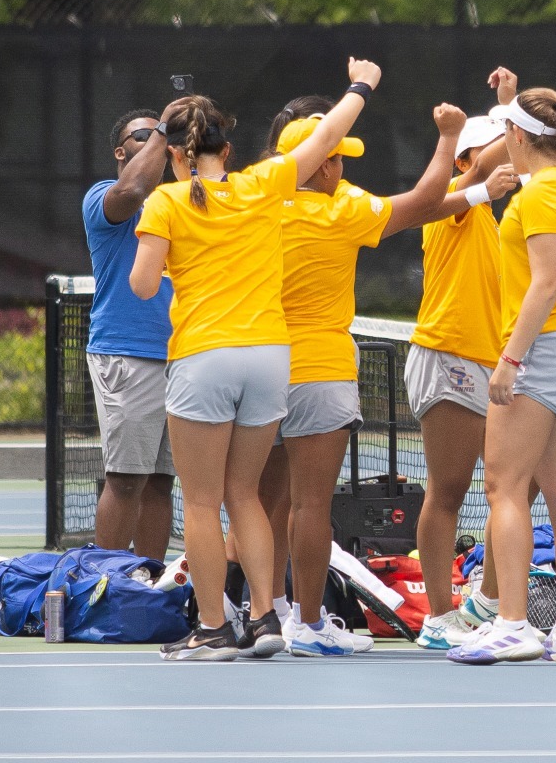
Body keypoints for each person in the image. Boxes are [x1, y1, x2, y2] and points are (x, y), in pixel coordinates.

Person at [127, 58, 379, 661]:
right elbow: (323, 137)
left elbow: (141, 284)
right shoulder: (263, 184)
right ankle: (267, 619)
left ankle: (213, 626)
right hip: (271, 357)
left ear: (176, 154)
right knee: (248, 494)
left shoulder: (165, 201)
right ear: (228, 147)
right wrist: (360, 86)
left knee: (203, 500)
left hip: (205, 355)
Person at [263, 101, 515, 657]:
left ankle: (265, 614)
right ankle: (308, 621)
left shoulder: (256, 203)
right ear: (321, 165)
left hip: (258, 366)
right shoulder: (346, 210)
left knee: (261, 503)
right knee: (308, 505)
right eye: (336, 160)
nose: (342, 169)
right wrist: (501, 123)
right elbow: (435, 196)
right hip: (322, 369)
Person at [448, 87, 556, 665]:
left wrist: (510, 359)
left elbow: (544, 284)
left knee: (504, 487)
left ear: (517, 136)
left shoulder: (542, 191)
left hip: (546, 350)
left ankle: (512, 623)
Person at [408, 109, 521, 649]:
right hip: (447, 355)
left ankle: (487, 603)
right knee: (448, 490)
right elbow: (483, 170)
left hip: (491, 365)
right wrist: (524, 115)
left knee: (517, 486)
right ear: (464, 161)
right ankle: (436, 613)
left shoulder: (496, 220)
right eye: (493, 148)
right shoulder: (453, 199)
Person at [81, 108, 176, 560]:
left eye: (163, 132)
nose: (157, 138)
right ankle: (107, 588)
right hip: (127, 353)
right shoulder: (104, 197)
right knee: (125, 479)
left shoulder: (180, 201)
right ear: (121, 151)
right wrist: (165, 129)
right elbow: (135, 187)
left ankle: (150, 584)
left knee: (161, 482)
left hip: (185, 355)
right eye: (143, 134)